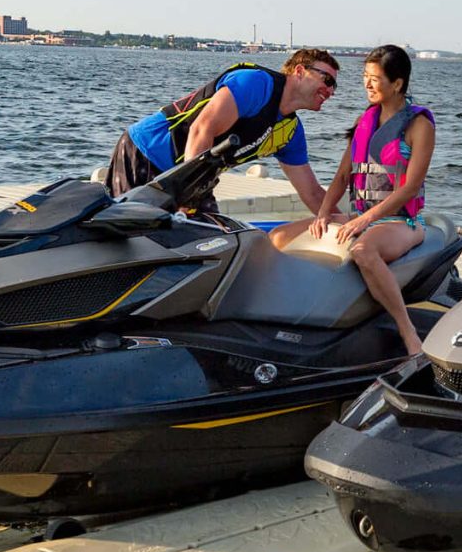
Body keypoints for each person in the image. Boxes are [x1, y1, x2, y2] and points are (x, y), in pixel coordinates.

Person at [286, 45, 435, 357]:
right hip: (361, 217)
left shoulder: (419, 124)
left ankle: (409, 335)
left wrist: (364, 220)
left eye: (375, 78)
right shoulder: (365, 121)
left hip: (401, 222)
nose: (367, 84)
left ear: (397, 83)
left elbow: (410, 187)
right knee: (279, 237)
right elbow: (342, 177)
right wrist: (323, 214)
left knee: (364, 250)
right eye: (365, 77)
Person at [107, 49, 341, 218]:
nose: (330, 90)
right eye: (327, 79)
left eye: (334, 86)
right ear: (299, 71)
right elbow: (202, 129)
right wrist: (187, 196)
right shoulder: (257, 84)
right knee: (131, 232)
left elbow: (311, 193)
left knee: (210, 239)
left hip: (195, 177)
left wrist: (352, 226)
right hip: (147, 152)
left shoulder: (290, 133)